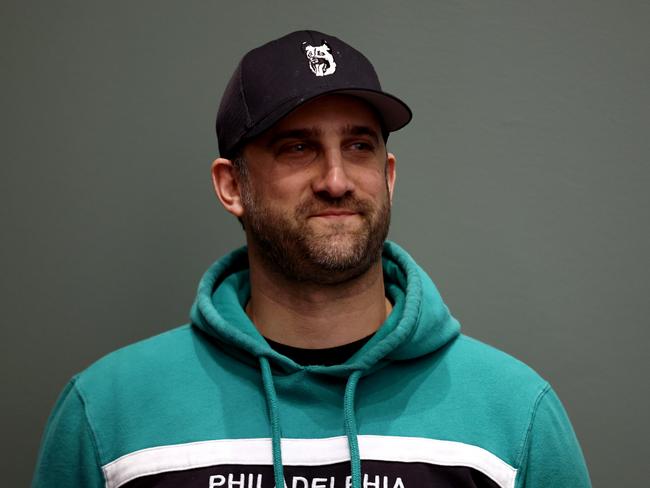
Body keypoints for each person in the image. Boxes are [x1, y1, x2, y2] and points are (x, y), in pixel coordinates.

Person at [32, 30, 591, 488]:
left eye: (359, 146)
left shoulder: (514, 415)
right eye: (297, 147)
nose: (336, 180)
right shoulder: (109, 412)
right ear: (232, 187)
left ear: (389, 177)